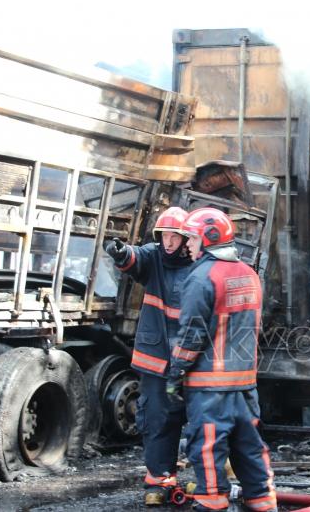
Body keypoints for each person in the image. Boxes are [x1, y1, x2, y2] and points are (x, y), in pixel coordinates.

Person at [167, 207, 276, 512]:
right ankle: (263, 502)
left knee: (208, 447)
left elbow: (191, 337)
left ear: (207, 238)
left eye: (191, 238)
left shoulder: (201, 278)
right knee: (250, 447)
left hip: (209, 386)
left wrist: (175, 375)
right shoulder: (249, 274)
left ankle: (211, 502)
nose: (188, 244)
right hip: (245, 383)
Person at [104, 206, 191, 506]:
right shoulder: (153, 256)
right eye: (165, 236)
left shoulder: (198, 261)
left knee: (199, 418)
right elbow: (134, 258)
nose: (169, 243)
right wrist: (119, 252)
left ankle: (201, 477)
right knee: (156, 418)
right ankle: (158, 478)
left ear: (185, 238)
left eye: (175, 237)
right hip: (156, 361)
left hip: (191, 362)